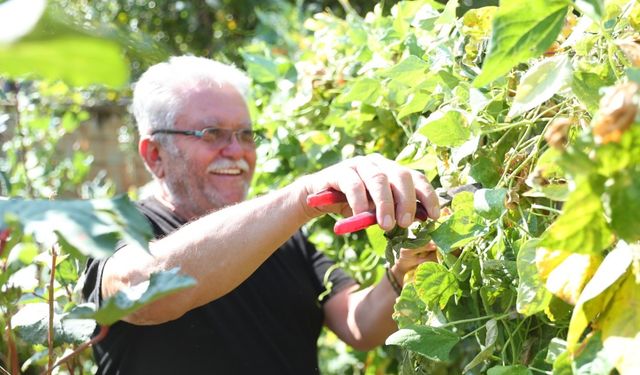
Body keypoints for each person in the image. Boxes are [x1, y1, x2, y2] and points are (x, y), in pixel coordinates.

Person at [82, 55, 440, 375]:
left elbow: (358, 324)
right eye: (212, 134)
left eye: (246, 135)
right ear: (155, 154)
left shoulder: (285, 238)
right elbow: (140, 291)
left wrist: (406, 270)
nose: (237, 151)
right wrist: (301, 197)